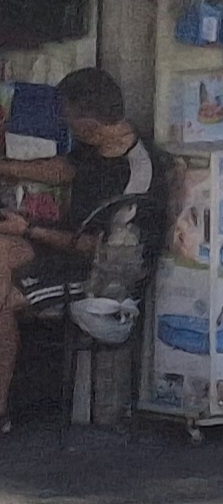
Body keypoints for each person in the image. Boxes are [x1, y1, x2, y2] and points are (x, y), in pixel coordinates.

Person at [0, 68, 162, 432]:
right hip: (62, 248)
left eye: (70, 121)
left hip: (98, 273)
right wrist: (6, 169)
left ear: (88, 124)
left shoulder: (139, 173)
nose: (68, 127)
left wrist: (29, 229)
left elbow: (103, 249)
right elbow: (63, 170)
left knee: (4, 299)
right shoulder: (95, 148)